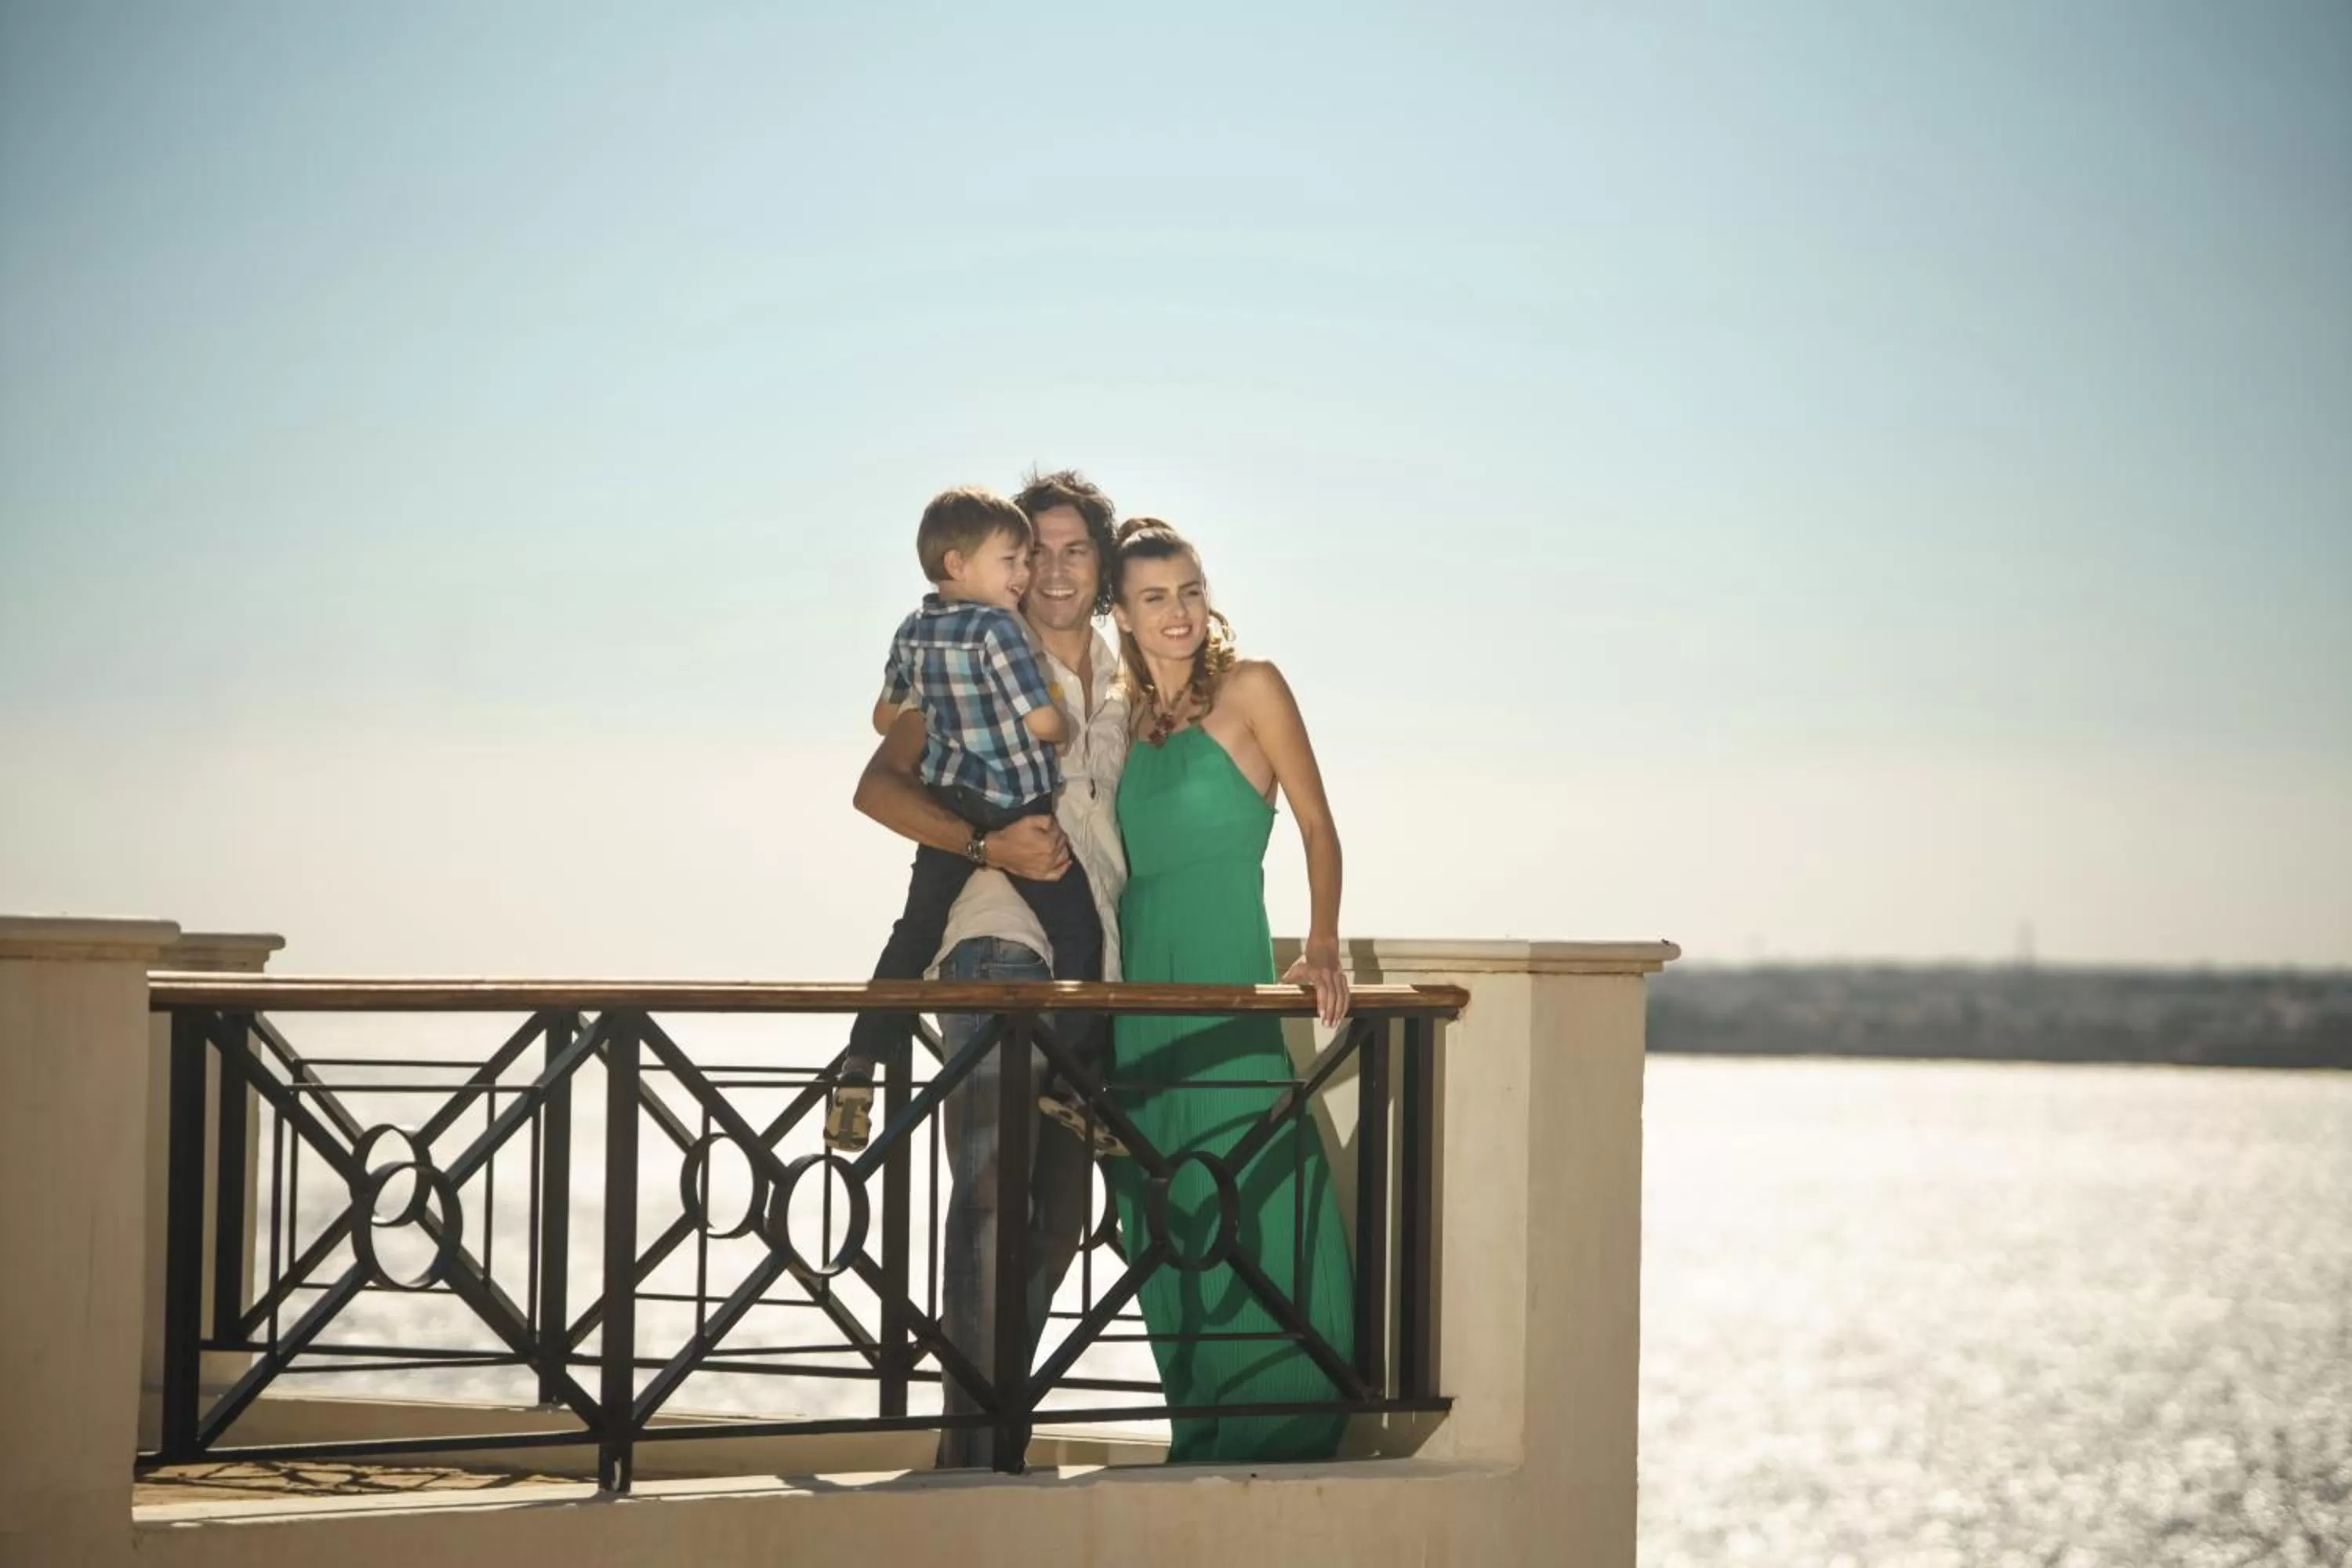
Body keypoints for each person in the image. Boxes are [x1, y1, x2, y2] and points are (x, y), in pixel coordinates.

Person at [846, 470, 1131, 1468]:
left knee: (1058, 1219)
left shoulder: (1126, 675)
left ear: (1100, 566)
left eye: (1075, 549)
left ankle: (995, 1424)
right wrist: (985, 843)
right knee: (988, 1196)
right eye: (1034, 549)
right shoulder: (972, 652)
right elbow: (878, 787)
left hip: (1092, 955)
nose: (1051, 568)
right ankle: (969, 1456)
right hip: (996, 936)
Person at [1099, 514, 1356, 1465]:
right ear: (1122, 615)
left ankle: (1286, 1405)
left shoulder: (1253, 688)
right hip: (1138, 998)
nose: (1179, 613)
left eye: (1191, 591)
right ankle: (1198, 1417)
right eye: (1155, 598)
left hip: (1224, 976)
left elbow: (1318, 825)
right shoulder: (1119, 721)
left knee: (1245, 1177)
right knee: (1161, 1206)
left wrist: (1322, 944)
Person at [833, 485, 1105, 1151]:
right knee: (1079, 934)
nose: (1033, 572)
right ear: (961, 563)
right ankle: (1075, 1084)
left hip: (957, 794)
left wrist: (944, 712)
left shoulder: (914, 631)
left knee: (913, 931)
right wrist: (1053, 727)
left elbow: (882, 714)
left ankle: (860, 1064)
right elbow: (878, 787)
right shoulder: (1001, 632)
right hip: (1004, 898)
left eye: (1072, 551)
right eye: (1021, 557)